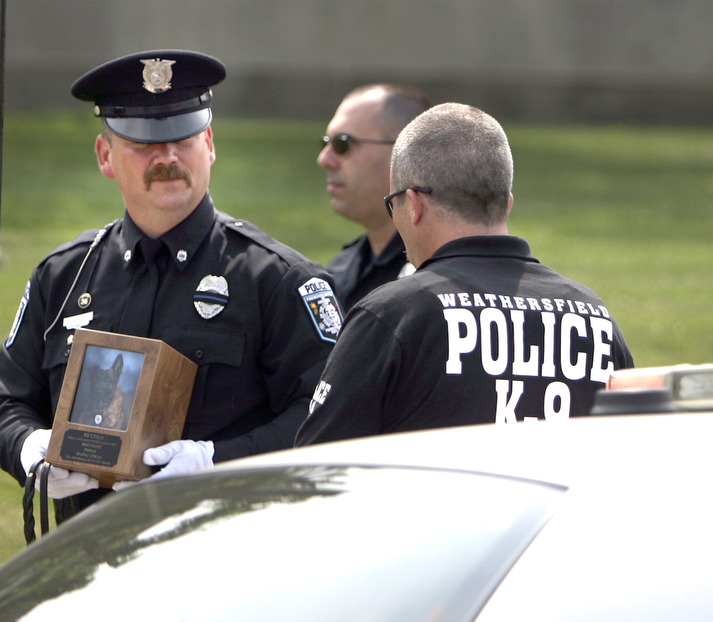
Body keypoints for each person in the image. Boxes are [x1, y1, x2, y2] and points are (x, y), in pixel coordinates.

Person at [0, 49, 343, 523]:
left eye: (183, 138)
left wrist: (218, 462)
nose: (167, 157)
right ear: (105, 156)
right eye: (143, 143)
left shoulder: (275, 280)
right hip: (88, 560)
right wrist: (28, 447)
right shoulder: (63, 277)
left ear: (210, 145)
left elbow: (332, 414)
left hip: (227, 559)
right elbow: (8, 397)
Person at [296, 103, 634, 446]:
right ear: (507, 203)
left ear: (413, 205)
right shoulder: (595, 317)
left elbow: (317, 466)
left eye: (392, 203)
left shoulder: (394, 314)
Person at [318, 83, 432, 312]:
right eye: (325, 143)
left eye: (342, 144)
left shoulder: (440, 277)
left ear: (404, 153)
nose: (324, 160)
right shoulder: (341, 270)